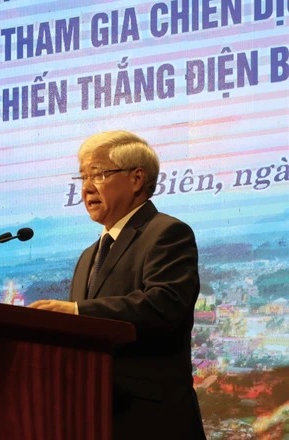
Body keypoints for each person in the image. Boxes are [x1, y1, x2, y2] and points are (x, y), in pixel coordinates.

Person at [29, 130, 206, 440]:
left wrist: (77, 311)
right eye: (83, 177)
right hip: (92, 419)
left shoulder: (167, 233)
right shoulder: (88, 256)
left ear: (137, 179)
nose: (86, 188)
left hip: (152, 422)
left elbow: (164, 305)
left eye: (98, 174)